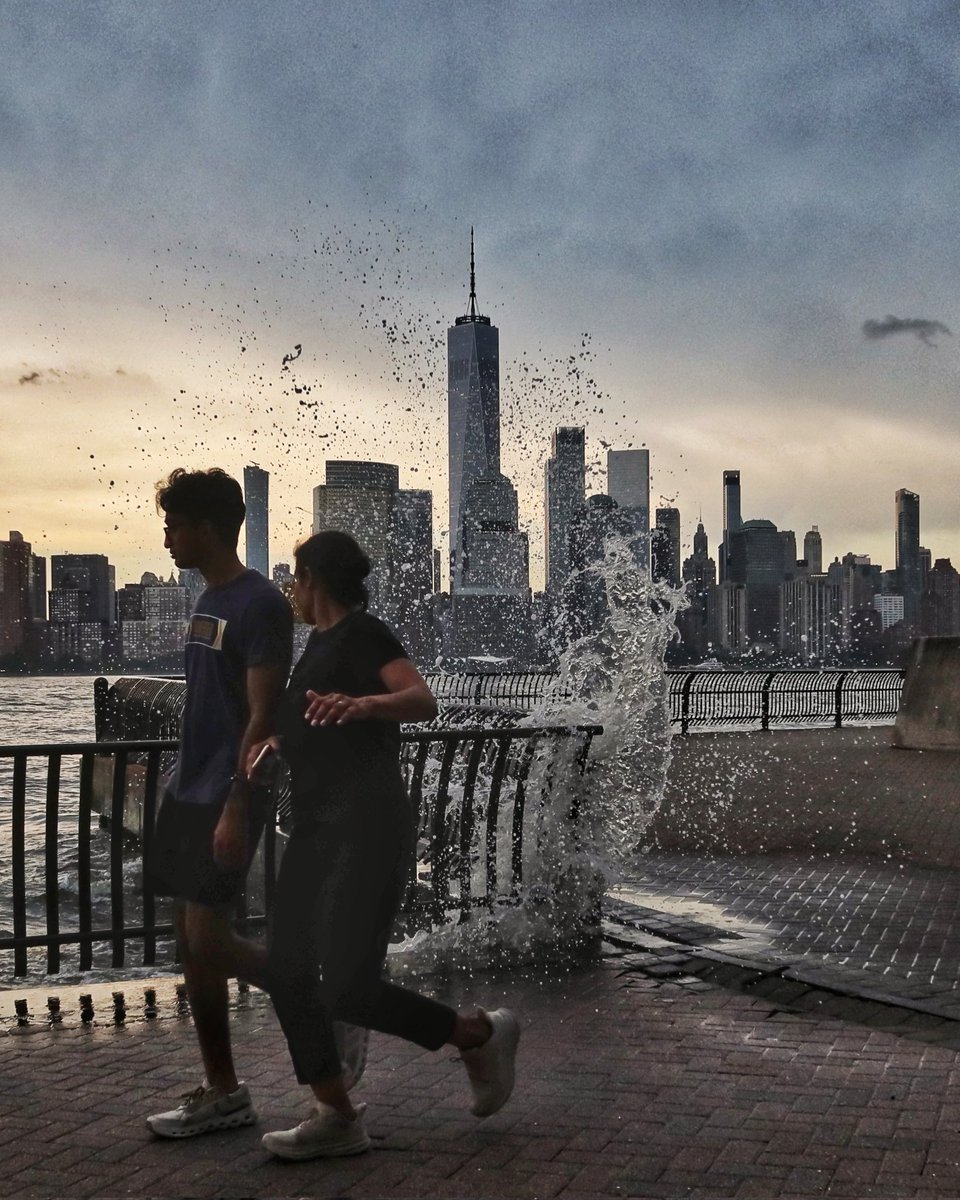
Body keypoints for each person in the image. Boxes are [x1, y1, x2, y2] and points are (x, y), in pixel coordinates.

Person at [246, 530, 520, 1161]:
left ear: (314, 577)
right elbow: (309, 726)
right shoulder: (313, 646)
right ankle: (335, 1113)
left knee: (347, 988)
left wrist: (364, 703)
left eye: (295, 575)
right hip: (315, 828)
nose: (291, 587)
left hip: (368, 829)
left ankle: (477, 1035)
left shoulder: (366, 634)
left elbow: (421, 699)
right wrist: (276, 749)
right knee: (286, 969)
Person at [145, 468, 293, 1139]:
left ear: (206, 526)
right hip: (188, 788)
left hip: (227, 793)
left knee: (209, 936)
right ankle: (224, 1090)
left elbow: (264, 718)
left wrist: (240, 802)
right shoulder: (207, 601)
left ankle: (318, 998)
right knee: (191, 947)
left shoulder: (259, 603)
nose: (168, 537)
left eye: (175, 524)